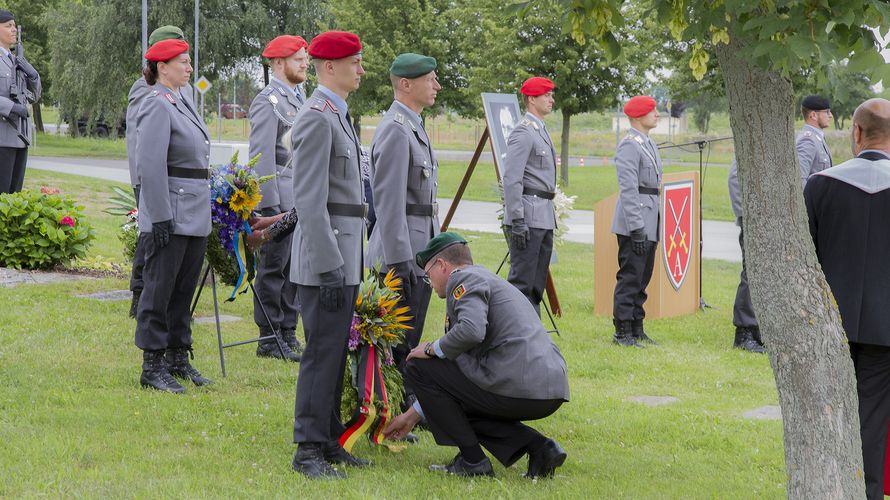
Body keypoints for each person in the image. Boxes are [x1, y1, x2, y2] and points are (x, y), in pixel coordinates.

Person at [383, 232, 570, 478]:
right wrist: (412, 416)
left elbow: (471, 330)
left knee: (418, 365)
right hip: (548, 387)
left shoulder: (463, 280)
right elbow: (456, 378)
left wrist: (429, 348)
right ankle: (540, 448)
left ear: (442, 265)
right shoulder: (487, 278)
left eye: (428, 274)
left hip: (518, 383)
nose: (430, 282)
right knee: (456, 391)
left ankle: (473, 462)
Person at [288, 30, 369, 479]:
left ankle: (329, 437)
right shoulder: (317, 117)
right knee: (321, 352)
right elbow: (310, 202)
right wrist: (330, 264)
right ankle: (307, 450)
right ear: (329, 68)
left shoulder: (337, 114)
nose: (360, 69)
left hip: (343, 253)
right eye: (354, 62)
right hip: (327, 258)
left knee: (336, 351)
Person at [804, 97, 890, 500]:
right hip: (886, 328)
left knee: (826, 413)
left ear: (855, 133)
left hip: (829, 325)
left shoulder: (821, 185)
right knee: (872, 421)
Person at [133, 39, 212, 393]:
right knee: (159, 289)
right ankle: (153, 364)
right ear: (162, 67)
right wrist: (160, 216)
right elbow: (150, 165)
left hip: (194, 211)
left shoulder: (182, 101)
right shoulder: (157, 105)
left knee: (183, 290)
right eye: (182, 62)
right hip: (172, 211)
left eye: (189, 61)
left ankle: (178, 357)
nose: (189, 68)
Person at [366, 52, 441, 418]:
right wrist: (399, 261)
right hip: (400, 254)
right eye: (430, 79)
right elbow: (389, 203)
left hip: (417, 250)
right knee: (395, 341)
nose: (437, 86)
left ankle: (404, 405)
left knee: (409, 338)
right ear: (406, 85)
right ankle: (387, 407)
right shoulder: (396, 129)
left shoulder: (412, 125)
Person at [248, 35, 309, 363]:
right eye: (298, 59)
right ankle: (269, 336)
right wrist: (267, 205)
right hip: (277, 203)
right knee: (274, 270)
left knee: (294, 270)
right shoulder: (268, 101)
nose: (304, 63)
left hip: (299, 201)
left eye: (305, 58)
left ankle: (287, 330)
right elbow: (261, 158)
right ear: (278, 63)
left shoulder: (299, 100)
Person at [125, 25, 190, 319]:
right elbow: (140, 142)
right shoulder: (146, 88)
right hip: (151, 177)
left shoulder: (181, 89)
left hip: (173, 179)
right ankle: (140, 294)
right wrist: (141, 181)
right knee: (150, 239)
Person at [502, 76, 557, 316]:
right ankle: (514, 333)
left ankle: (531, 331)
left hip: (543, 215)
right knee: (521, 283)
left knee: (536, 283)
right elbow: (512, 179)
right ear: (532, 99)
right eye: (546, 95)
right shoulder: (524, 132)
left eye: (551, 95)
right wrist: (517, 219)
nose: (551, 99)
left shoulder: (540, 130)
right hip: (528, 216)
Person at [610, 95, 662, 347]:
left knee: (643, 276)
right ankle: (622, 331)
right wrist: (637, 226)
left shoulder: (647, 143)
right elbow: (629, 189)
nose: (658, 115)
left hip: (650, 216)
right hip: (636, 219)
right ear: (640, 115)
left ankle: (636, 326)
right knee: (630, 276)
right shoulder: (630, 144)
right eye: (653, 111)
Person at [0, 9, 41, 194]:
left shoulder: (17, 60)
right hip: (2, 137)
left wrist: (32, 74)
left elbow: (35, 95)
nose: (13, 30)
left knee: (15, 195)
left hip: (20, 137)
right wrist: (12, 108)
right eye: (8, 26)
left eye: (14, 26)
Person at [726, 160, 764, 353]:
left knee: (759, 277)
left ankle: (755, 329)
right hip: (752, 222)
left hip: (762, 222)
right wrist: (746, 216)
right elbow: (734, 179)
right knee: (751, 276)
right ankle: (743, 332)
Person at [797, 95, 833, 186]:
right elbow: (800, 179)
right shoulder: (807, 140)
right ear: (813, 115)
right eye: (827, 112)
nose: (831, 116)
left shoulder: (816, 137)